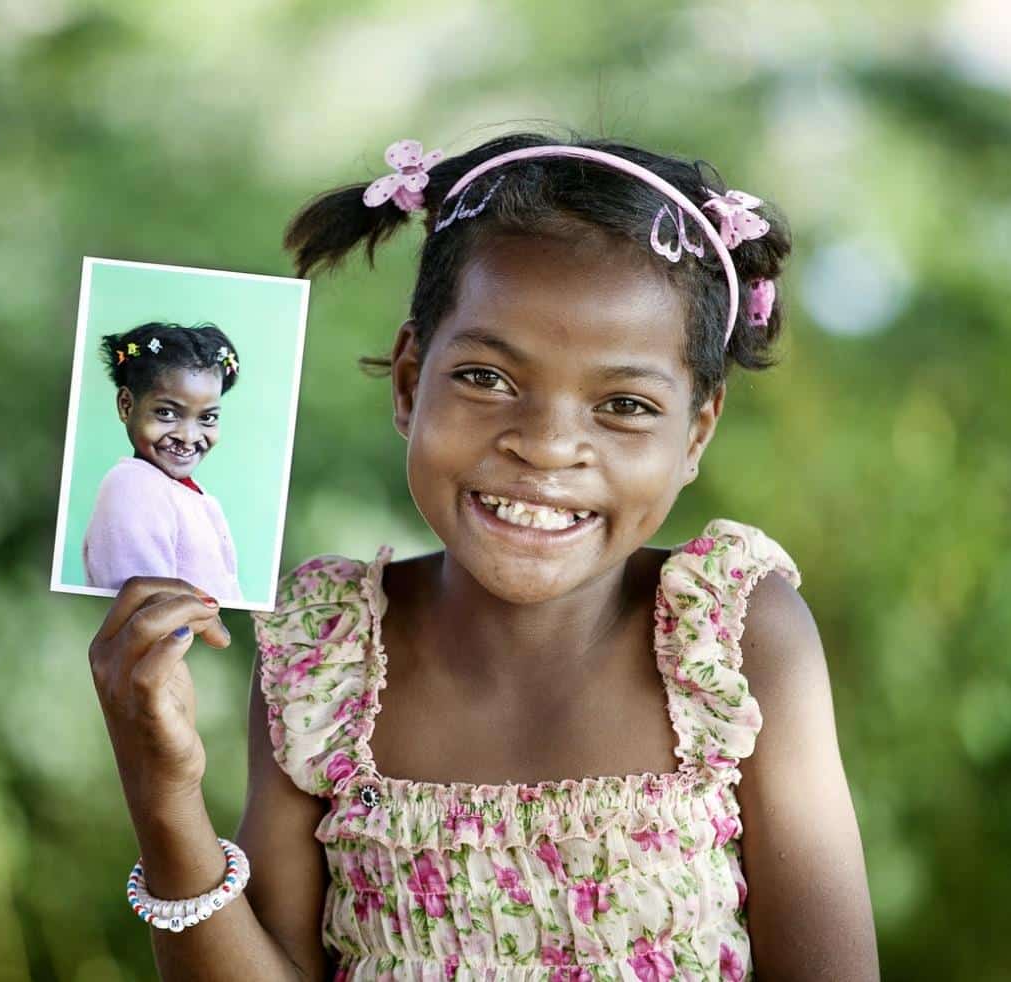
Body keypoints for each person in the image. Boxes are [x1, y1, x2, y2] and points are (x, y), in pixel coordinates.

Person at [88, 133, 879, 980]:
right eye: (486, 379)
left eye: (623, 404)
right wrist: (162, 793)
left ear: (695, 434)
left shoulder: (732, 641)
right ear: (408, 383)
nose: (545, 446)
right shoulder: (325, 659)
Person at [82, 321, 243, 603]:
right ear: (126, 405)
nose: (188, 437)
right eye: (167, 413)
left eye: (207, 418)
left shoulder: (184, 492)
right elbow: (144, 606)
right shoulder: (132, 487)